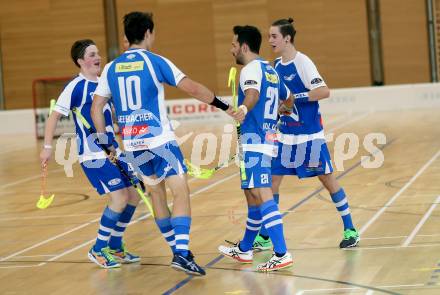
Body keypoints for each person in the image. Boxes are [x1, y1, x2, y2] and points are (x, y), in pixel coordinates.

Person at [91, 11, 235, 276]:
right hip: (160, 141)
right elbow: (191, 88)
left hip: (133, 145)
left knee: (157, 194)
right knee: (180, 192)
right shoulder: (155, 61)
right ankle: (181, 253)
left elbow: (96, 108)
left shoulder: (111, 68)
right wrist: (224, 105)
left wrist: (105, 143)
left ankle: (178, 252)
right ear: (148, 33)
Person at [253, 18, 360, 251]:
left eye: (274, 36)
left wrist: (295, 98)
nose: (270, 40)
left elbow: (323, 91)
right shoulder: (276, 66)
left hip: (309, 137)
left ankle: (350, 228)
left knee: (327, 179)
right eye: (269, 36)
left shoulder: (303, 62)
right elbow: (280, 102)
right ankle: (265, 235)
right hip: (285, 137)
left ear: (287, 38)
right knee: (271, 182)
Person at [40, 39, 142, 269]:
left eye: (98, 53)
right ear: (80, 61)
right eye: (92, 54)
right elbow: (54, 116)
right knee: (119, 197)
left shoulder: (105, 82)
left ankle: (115, 246)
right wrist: (47, 147)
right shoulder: (75, 86)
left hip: (113, 149)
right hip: (93, 154)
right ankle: (97, 249)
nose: (98, 57)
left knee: (134, 195)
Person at [217, 25, 293, 272]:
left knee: (262, 194)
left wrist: (245, 109)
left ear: (244, 46)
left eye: (233, 45)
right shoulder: (271, 71)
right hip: (267, 139)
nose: (232, 49)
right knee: (252, 195)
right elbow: (288, 98)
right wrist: (282, 111)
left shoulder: (250, 69)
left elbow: (252, 94)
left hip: (256, 141)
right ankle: (245, 249)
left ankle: (281, 253)